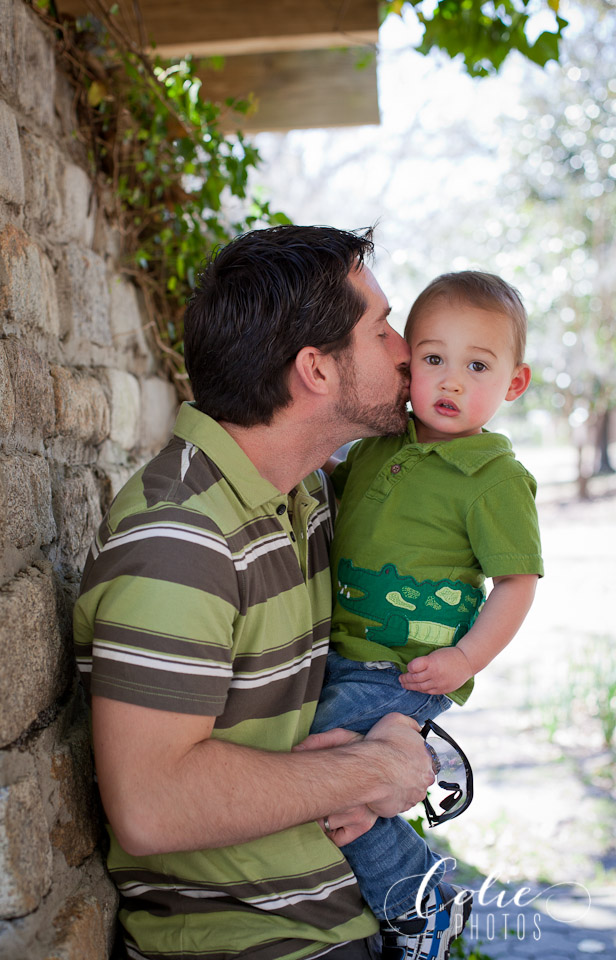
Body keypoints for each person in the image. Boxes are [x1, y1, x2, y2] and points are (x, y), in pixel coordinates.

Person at [73, 225, 440, 960]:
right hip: (261, 941)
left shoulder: (307, 496)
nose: (407, 350)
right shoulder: (180, 541)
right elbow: (152, 804)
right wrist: (374, 770)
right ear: (318, 370)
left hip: (348, 907)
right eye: (383, 328)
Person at [313, 271, 543, 957]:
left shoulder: (494, 477)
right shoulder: (382, 444)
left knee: (322, 768)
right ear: (408, 363)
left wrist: (466, 659)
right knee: (337, 786)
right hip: (342, 654)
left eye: (477, 366)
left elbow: (517, 583)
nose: (450, 381)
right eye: (435, 359)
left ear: (514, 383)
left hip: (407, 672)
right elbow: (330, 485)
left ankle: (424, 904)